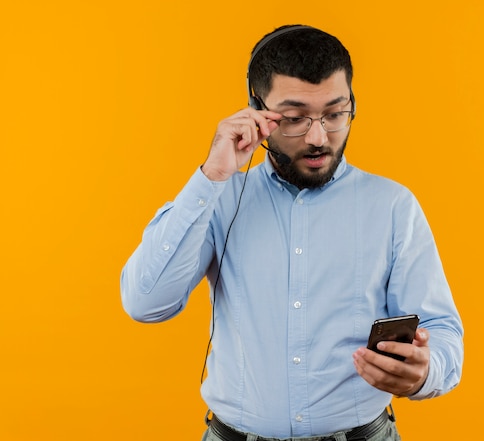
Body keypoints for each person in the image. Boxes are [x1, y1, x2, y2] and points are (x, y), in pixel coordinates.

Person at [121, 24, 463, 441]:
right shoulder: (219, 198)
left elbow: (442, 330)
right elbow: (145, 302)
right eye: (296, 118)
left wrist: (426, 371)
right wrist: (211, 177)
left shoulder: (393, 206)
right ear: (256, 110)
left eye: (335, 114)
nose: (319, 138)